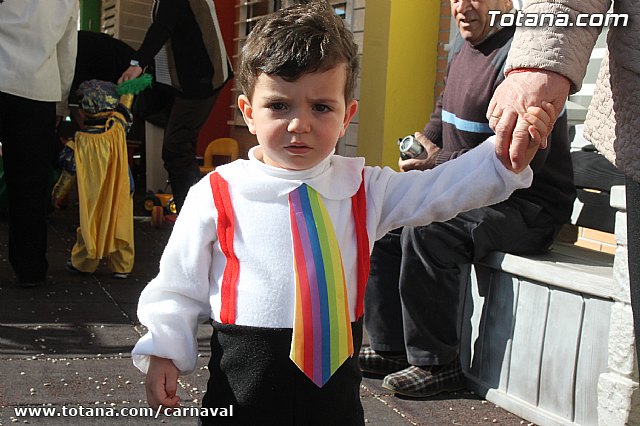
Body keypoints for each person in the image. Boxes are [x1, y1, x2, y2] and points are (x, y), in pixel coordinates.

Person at [130, 2, 554, 424]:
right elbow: (179, 284)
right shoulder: (219, 192)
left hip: (334, 396)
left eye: (321, 107)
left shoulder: (362, 188)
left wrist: (503, 161)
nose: (299, 124)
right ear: (248, 114)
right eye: (279, 106)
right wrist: (164, 349)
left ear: (347, 115)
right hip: (244, 385)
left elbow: (439, 189)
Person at [359, 0, 576, 399]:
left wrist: (436, 160)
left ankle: (437, 364)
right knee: (386, 220)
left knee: (428, 230)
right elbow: (443, 113)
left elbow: (515, 157)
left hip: (527, 207)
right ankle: (390, 347)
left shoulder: (523, 63)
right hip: (472, 196)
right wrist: (422, 146)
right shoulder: (463, 48)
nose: (462, 7)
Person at [487, 0, 640, 370]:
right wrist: (538, 64)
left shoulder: (500, 49)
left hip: (532, 211)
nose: (461, 8)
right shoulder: (471, 60)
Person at [118, 0, 231, 213]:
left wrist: (137, 64)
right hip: (190, 81)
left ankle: (193, 220)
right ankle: (199, 217)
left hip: (201, 79)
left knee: (176, 149)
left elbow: (163, 26)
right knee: (181, 151)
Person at [0, 0, 78, 287]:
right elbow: (67, 49)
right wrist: (61, 102)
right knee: (30, 184)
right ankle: (30, 268)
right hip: (38, 89)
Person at [62, 79, 136, 280]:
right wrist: (130, 84)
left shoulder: (77, 143)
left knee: (89, 226)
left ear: (83, 111)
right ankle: (122, 266)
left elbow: (67, 177)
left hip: (92, 195)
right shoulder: (118, 127)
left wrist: (57, 196)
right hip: (122, 187)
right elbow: (126, 103)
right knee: (122, 224)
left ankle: (84, 263)